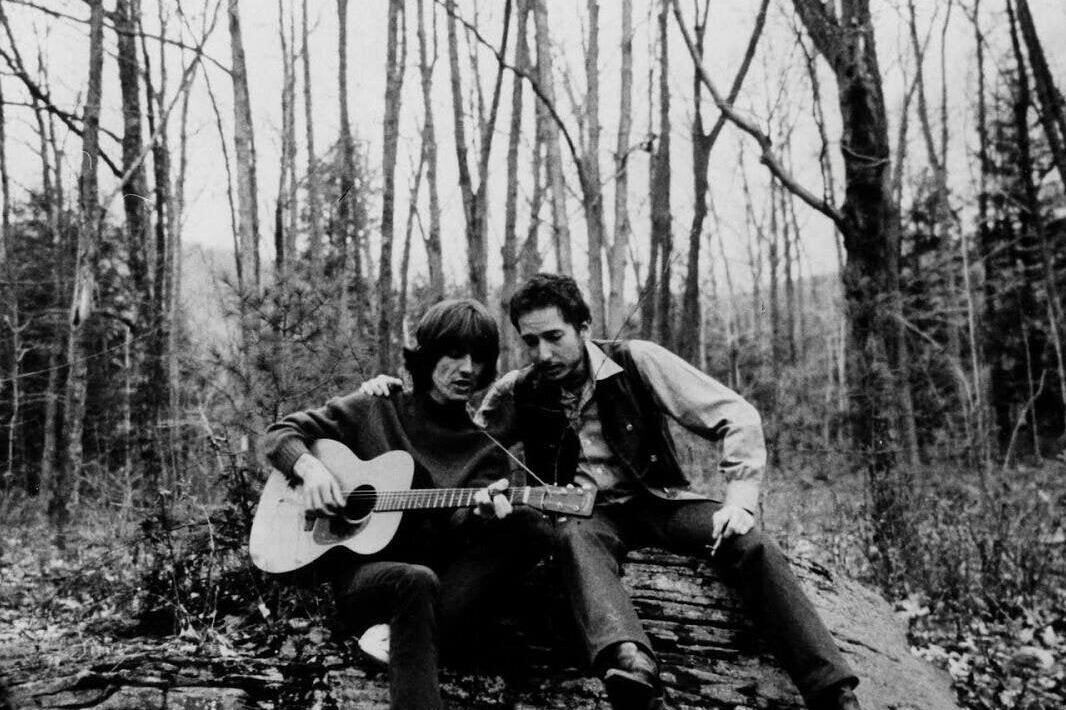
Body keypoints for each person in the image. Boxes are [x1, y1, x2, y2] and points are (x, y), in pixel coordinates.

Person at [361, 274, 861, 710]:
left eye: (555, 337)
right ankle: (629, 664)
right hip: (582, 513)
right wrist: (393, 395)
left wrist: (740, 499)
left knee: (748, 543)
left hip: (658, 501)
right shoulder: (520, 389)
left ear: (583, 328)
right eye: (531, 342)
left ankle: (831, 689)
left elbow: (736, 415)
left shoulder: (638, 360)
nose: (544, 354)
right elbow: (459, 431)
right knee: (573, 538)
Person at [264, 298, 551, 710]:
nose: (467, 369)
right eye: (454, 354)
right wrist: (309, 468)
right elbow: (280, 433)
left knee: (529, 525)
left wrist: (478, 515)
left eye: (479, 358)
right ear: (428, 355)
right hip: (369, 582)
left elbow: (461, 534)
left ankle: (400, 637)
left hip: (443, 592)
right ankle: (401, 635)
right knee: (413, 580)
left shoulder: (483, 450)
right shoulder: (379, 407)